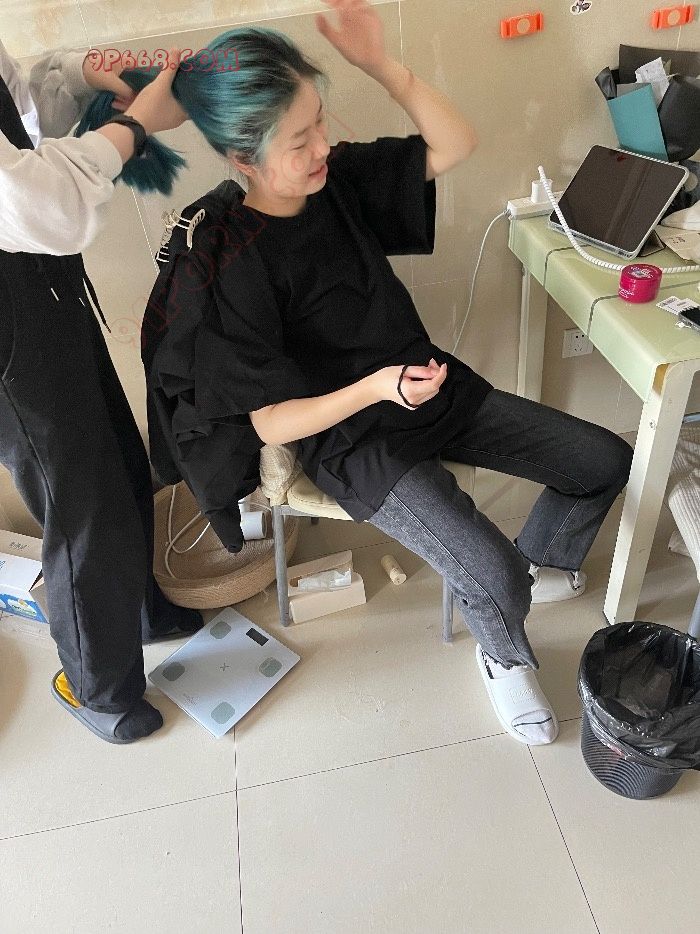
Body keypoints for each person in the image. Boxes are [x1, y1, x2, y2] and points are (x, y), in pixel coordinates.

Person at [87, 0, 633, 746]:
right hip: (350, 439)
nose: (323, 146)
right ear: (243, 157)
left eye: (320, 123)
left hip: (427, 388)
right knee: (492, 574)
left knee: (602, 460)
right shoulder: (227, 258)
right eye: (300, 140)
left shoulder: (335, 180)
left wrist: (379, 64)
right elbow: (272, 422)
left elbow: (455, 142)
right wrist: (377, 388)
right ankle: (504, 655)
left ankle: (535, 563)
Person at [0, 40, 203, 744]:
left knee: (116, 447)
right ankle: (101, 690)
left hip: (37, 280)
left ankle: (140, 609)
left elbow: (18, 126)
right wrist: (136, 126)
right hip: (7, 312)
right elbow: (32, 201)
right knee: (78, 496)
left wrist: (74, 79)